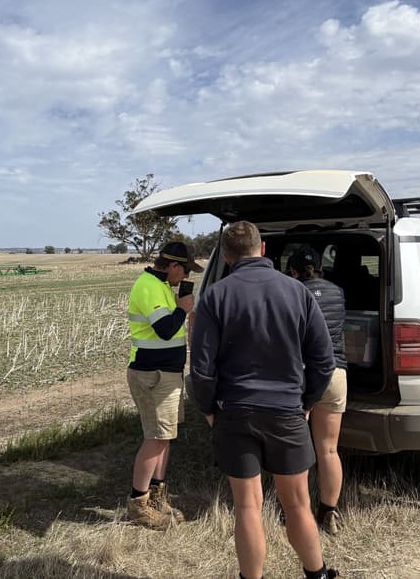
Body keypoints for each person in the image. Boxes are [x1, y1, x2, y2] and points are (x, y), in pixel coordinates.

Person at [189, 221, 338, 579]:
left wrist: (209, 408)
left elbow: (201, 368)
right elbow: (324, 361)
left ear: (226, 256)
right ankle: (316, 575)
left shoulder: (214, 296)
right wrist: (306, 401)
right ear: (264, 248)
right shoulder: (298, 293)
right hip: (286, 411)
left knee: (247, 507)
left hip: (235, 412)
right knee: (299, 503)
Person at [125, 241, 203, 529]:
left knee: (165, 436)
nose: (183, 277)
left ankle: (157, 496)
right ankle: (139, 504)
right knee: (155, 438)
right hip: (151, 374)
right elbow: (166, 329)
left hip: (165, 374)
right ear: (172, 266)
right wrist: (183, 308)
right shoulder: (148, 286)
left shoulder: (162, 286)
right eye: (183, 271)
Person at [287, 245, 348, 536]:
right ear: (322, 267)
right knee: (329, 449)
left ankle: (297, 513)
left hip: (301, 375)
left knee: (296, 449)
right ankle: (328, 513)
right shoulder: (338, 292)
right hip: (336, 374)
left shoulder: (292, 293)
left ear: (294, 271)